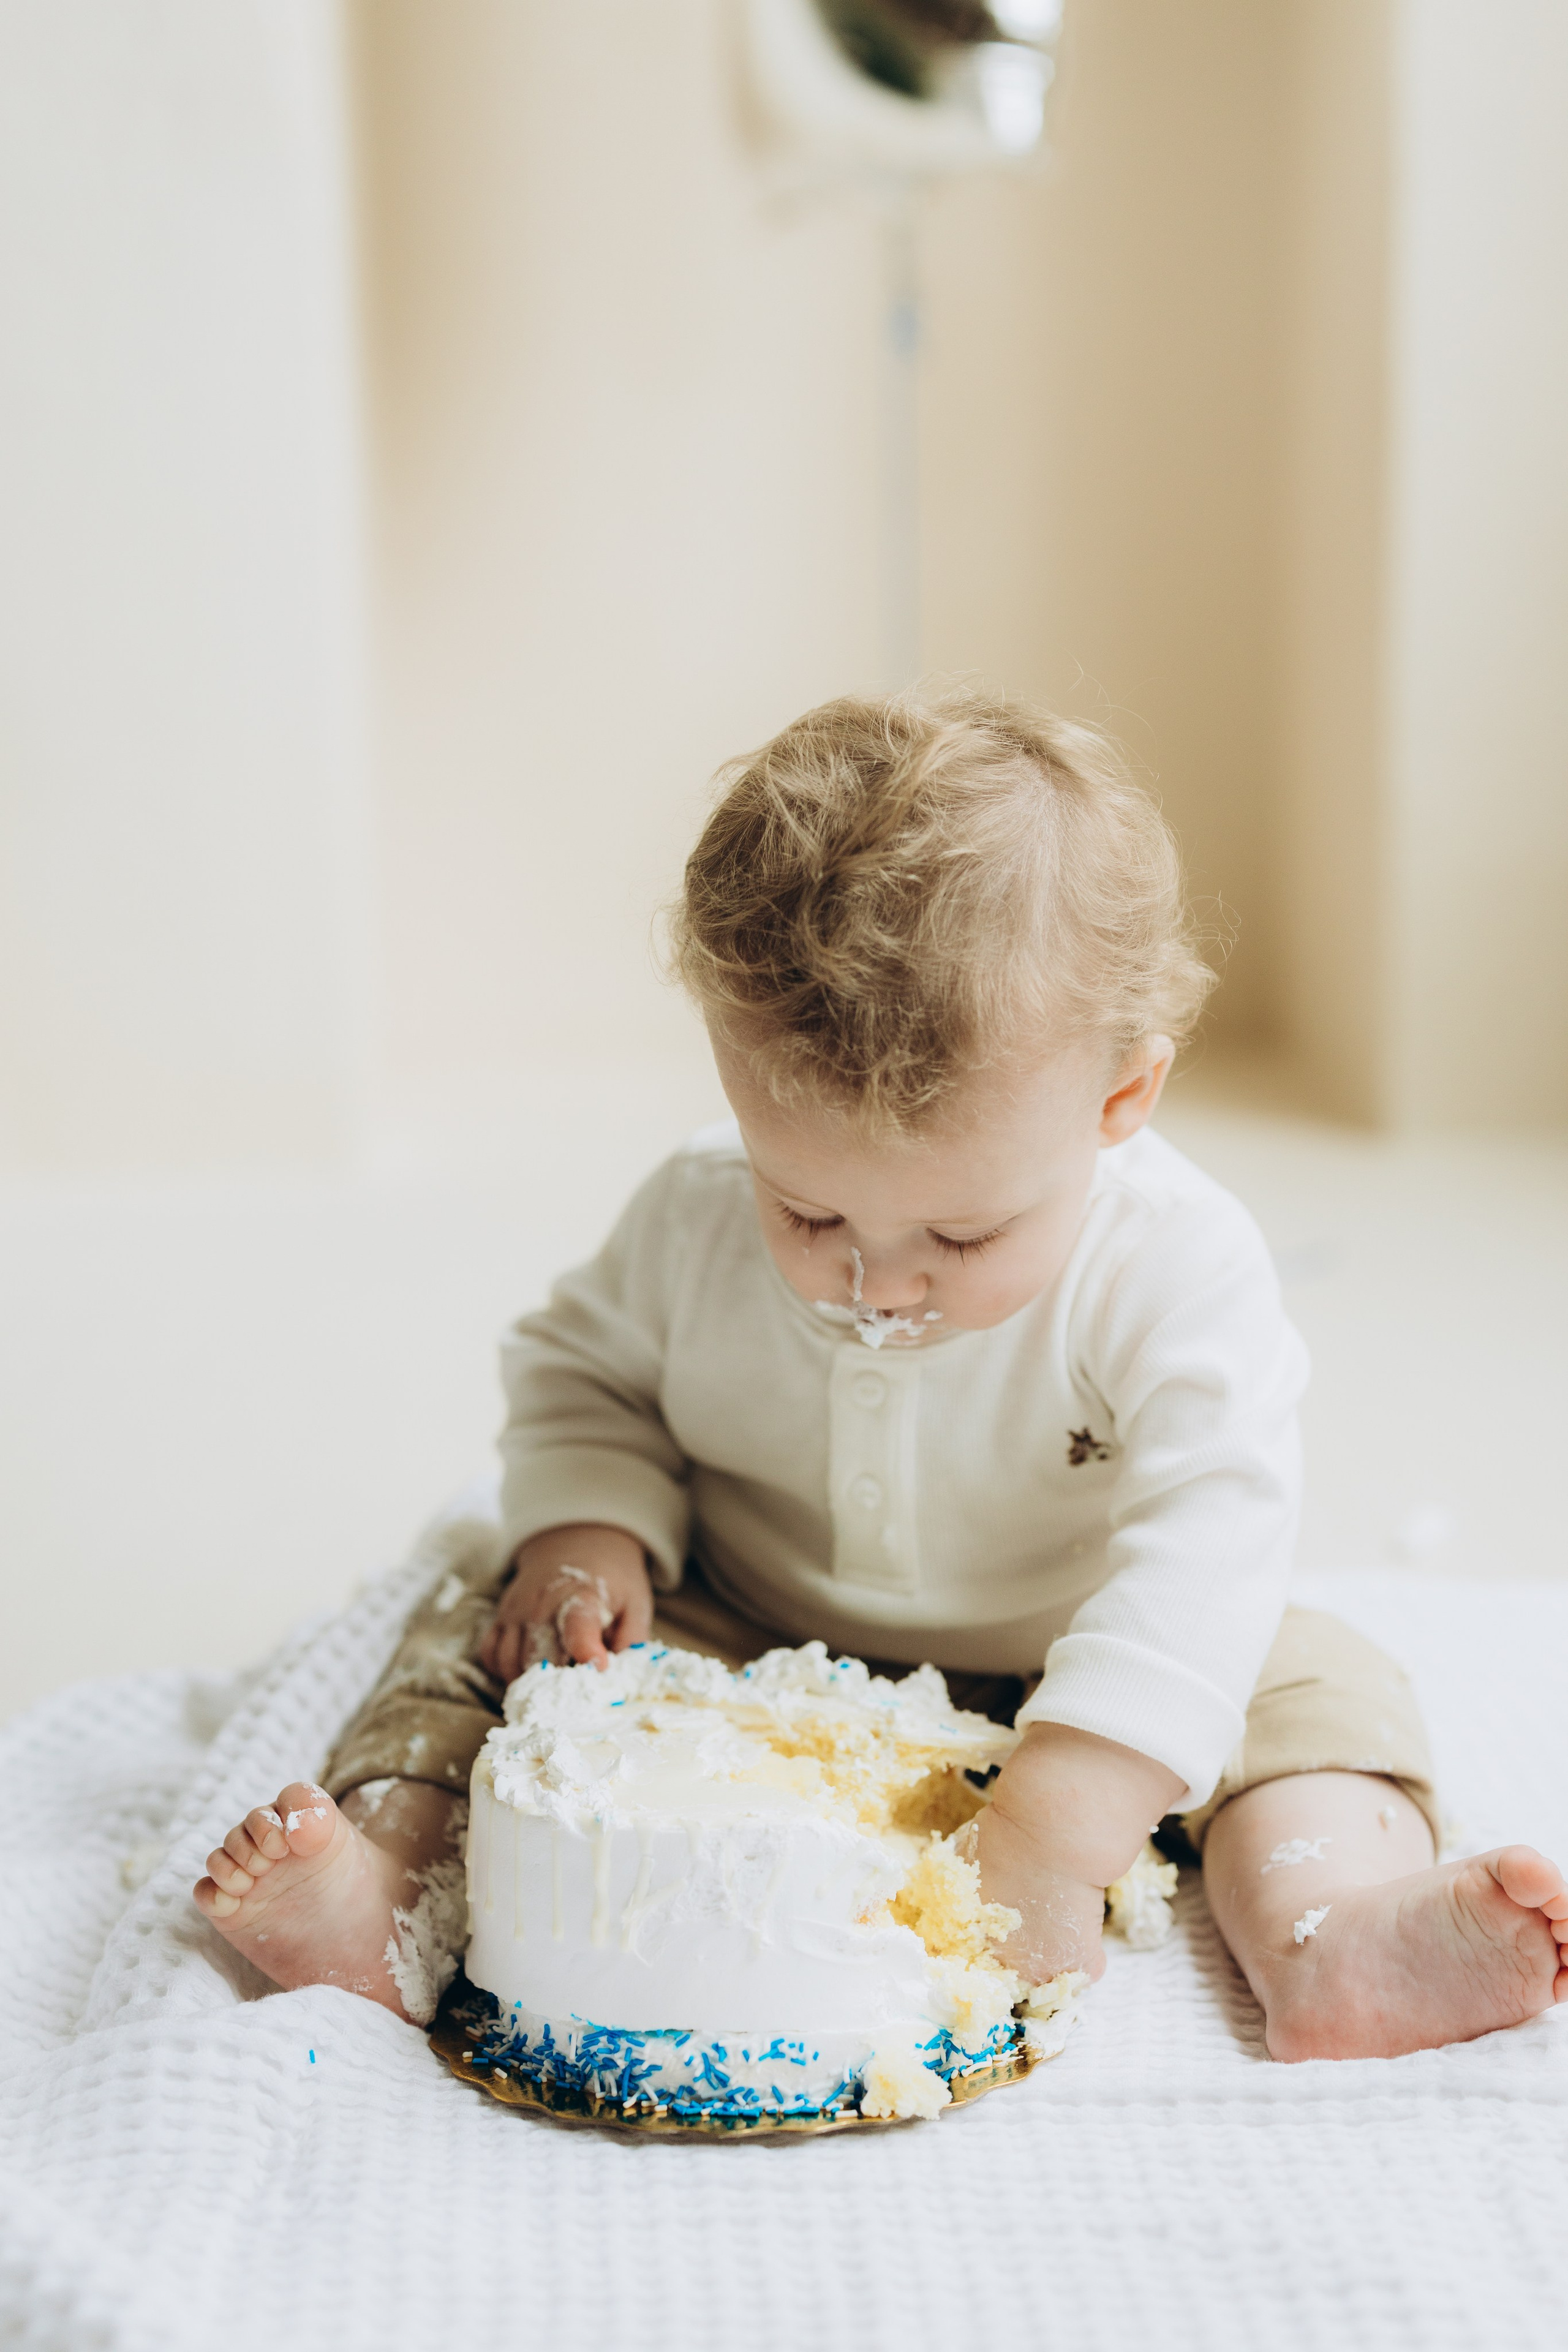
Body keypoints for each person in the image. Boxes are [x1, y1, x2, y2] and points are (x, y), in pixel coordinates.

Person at [194, 687, 1568, 2056]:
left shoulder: (1175, 1270)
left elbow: (1212, 1541)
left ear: (1119, 1102)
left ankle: (1330, 1930)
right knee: (482, 1640)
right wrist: (588, 1527)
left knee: (1311, 1691)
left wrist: (1063, 1817)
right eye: (807, 1214)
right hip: (741, 1628)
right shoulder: (690, 1214)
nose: (878, 1281)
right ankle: (397, 1894)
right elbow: (583, 1375)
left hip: (1071, 1650)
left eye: (961, 1236)